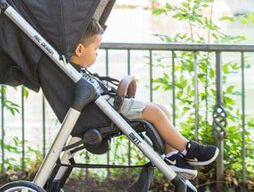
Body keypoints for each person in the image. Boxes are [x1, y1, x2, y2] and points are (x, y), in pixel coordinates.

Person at [68, 20, 219, 177]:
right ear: (79, 49)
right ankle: (188, 149)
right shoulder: (73, 74)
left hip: (108, 106)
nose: (97, 53)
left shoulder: (78, 72)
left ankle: (172, 156)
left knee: (162, 110)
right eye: (96, 49)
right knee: (154, 112)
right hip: (105, 111)